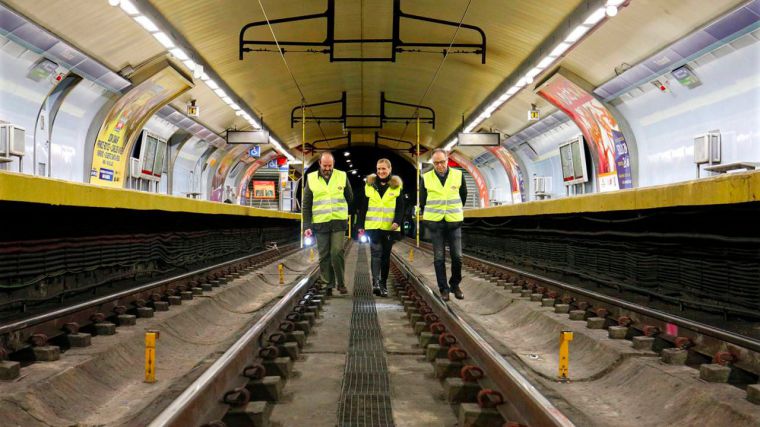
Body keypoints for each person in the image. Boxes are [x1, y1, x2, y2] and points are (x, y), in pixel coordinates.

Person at [303, 152, 353, 296]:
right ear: (320, 163)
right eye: (325, 165)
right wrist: (307, 226)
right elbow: (306, 205)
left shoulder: (342, 176)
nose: (327, 168)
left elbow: (350, 197)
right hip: (321, 223)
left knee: (337, 252)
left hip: (338, 221)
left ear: (333, 164)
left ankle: (341, 283)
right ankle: (327, 284)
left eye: (330, 165)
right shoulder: (311, 178)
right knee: (324, 255)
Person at [420, 148, 467, 301]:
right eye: (436, 163)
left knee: (457, 257)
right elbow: (423, 200)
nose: (439, 165)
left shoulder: (458, 175)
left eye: (442, 162)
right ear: (432, 163)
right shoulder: (426, 178)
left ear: (447, 160)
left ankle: (455, 284)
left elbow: (463, 195)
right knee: (439, 257)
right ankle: (444, 289)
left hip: (454, 221)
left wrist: (456, 211)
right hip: (436, 223)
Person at [357, 158, 405, 297]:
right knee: (376, 253)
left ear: (389, 169)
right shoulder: (369, 186)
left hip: (389, 228)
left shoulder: (396, 187)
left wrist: (397, 221)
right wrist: (360, 225)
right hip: (373, 227)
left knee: (385, 256)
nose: (381, 171)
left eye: (383, 169)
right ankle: (376, 283)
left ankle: (383, 283)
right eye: (378, 169)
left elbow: (401, 207)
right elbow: (364, 207)